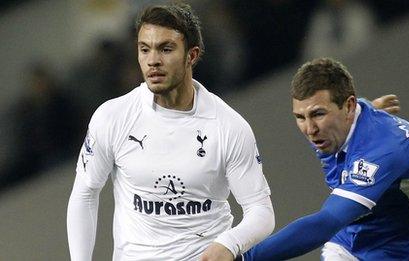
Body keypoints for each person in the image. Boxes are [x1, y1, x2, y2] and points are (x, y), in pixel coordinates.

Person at [66, 3, 276, 261]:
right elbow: (85, 193)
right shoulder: (112, 117)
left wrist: (229, 244)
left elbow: (261, 211)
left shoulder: (229, 127)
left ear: (192, 55)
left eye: (166, 49)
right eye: (145, 49)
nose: (153, 60)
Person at [239, 58, 409, 260]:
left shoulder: (383, 151)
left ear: (349, 107)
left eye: (318, 114)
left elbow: (327, 222)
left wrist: (243, 257)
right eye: (300, 117)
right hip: (349, 245)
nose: (310, 129)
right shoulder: (337, 124)